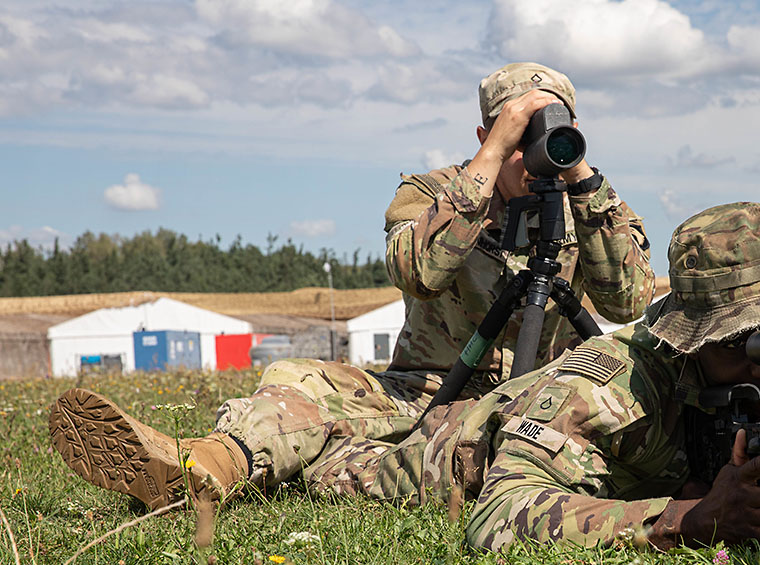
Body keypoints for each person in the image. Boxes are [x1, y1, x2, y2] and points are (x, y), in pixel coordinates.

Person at [49, 62, 654, 511]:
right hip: (421, 392)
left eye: (550, 131)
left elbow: (627, 300)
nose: (532, 153)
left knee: (438, 448)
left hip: (534, 401)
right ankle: (206, 465)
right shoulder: (433, 192)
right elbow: (418, 273)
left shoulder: (586, 203)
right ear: (484, 135)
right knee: (299, 380)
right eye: (519, 134)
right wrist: (490, 163)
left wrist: (581, 178)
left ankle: (337, 467)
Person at [297, 201, 760, 548]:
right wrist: (687, 519)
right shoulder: (607, 385)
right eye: (745, 346)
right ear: (693, 345)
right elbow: (496, 519)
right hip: (443, 453)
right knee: (324, 456)